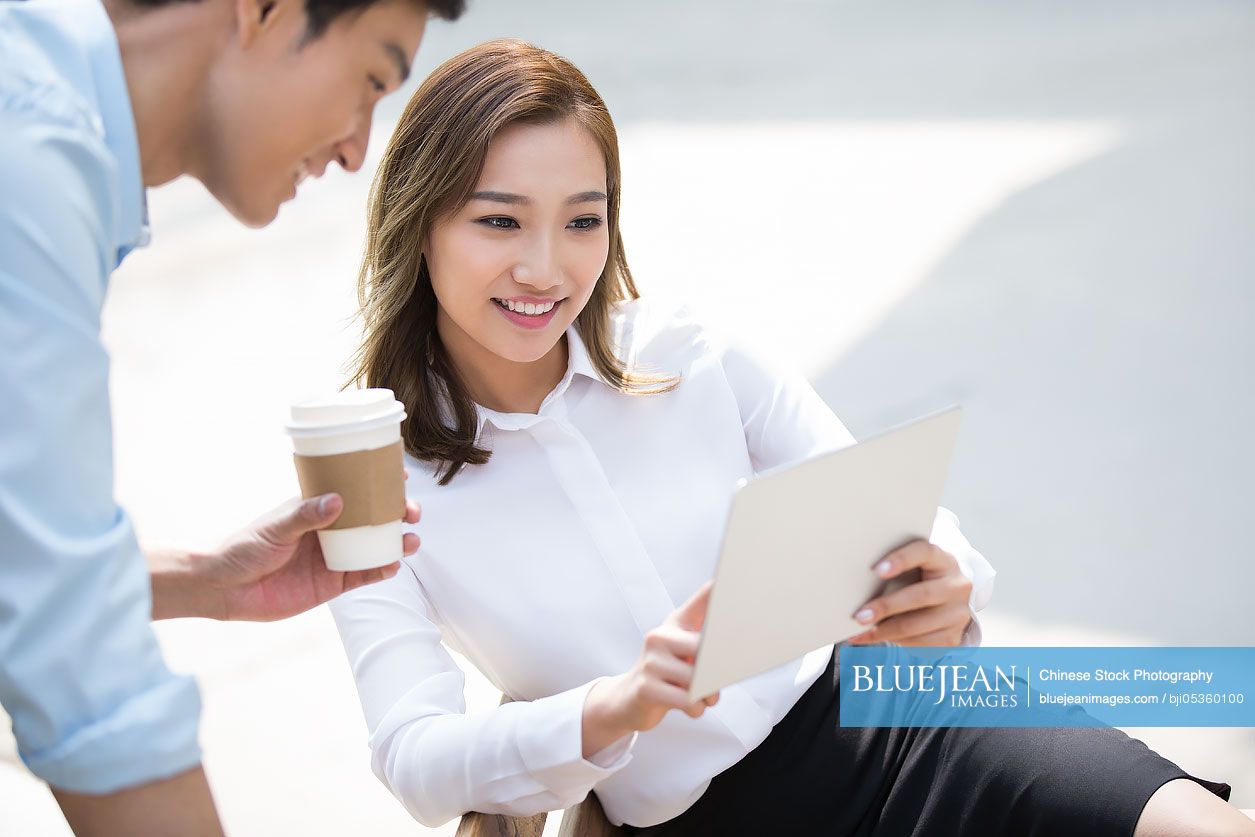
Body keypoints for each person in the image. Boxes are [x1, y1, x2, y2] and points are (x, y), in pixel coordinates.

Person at [329, 38, 1250, 835]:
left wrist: (942, 583)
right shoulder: (375, 483)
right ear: (421, 224)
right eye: (498, 220)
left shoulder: (691, 353)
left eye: (583, 220)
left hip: (912, 720)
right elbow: (415, 756)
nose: (545, 266)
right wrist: (612, 707)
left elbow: (888, 518)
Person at [0, 0, 464, 833]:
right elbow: (82, 675)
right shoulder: (26, 159)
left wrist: (193, 581)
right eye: (369, 81)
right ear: (264, 10)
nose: (360, 148)